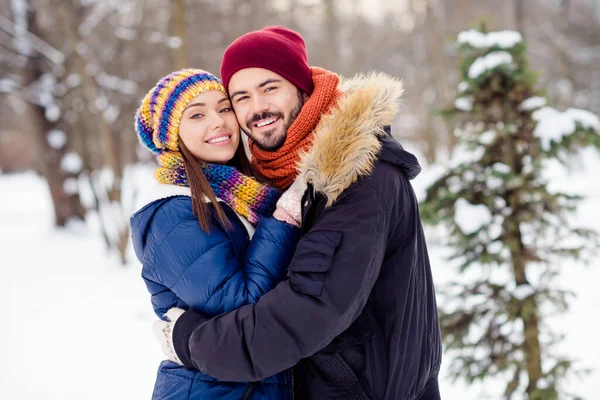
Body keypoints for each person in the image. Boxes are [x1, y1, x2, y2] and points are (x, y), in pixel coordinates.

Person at [154, 26, 442, 400]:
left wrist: (192, 342)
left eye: (270, 88)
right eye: (240, 97)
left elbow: (307, 309)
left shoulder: (358, 179)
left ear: (302, 88)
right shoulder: (277, 183)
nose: (257, 108)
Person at [131, 68, 303, 399]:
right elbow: (241, 308)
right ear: (172, 136)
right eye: (197, 115)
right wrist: (284, 219)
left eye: (224, 108)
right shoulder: (173, 211)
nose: (219, 122)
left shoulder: (237, 195)